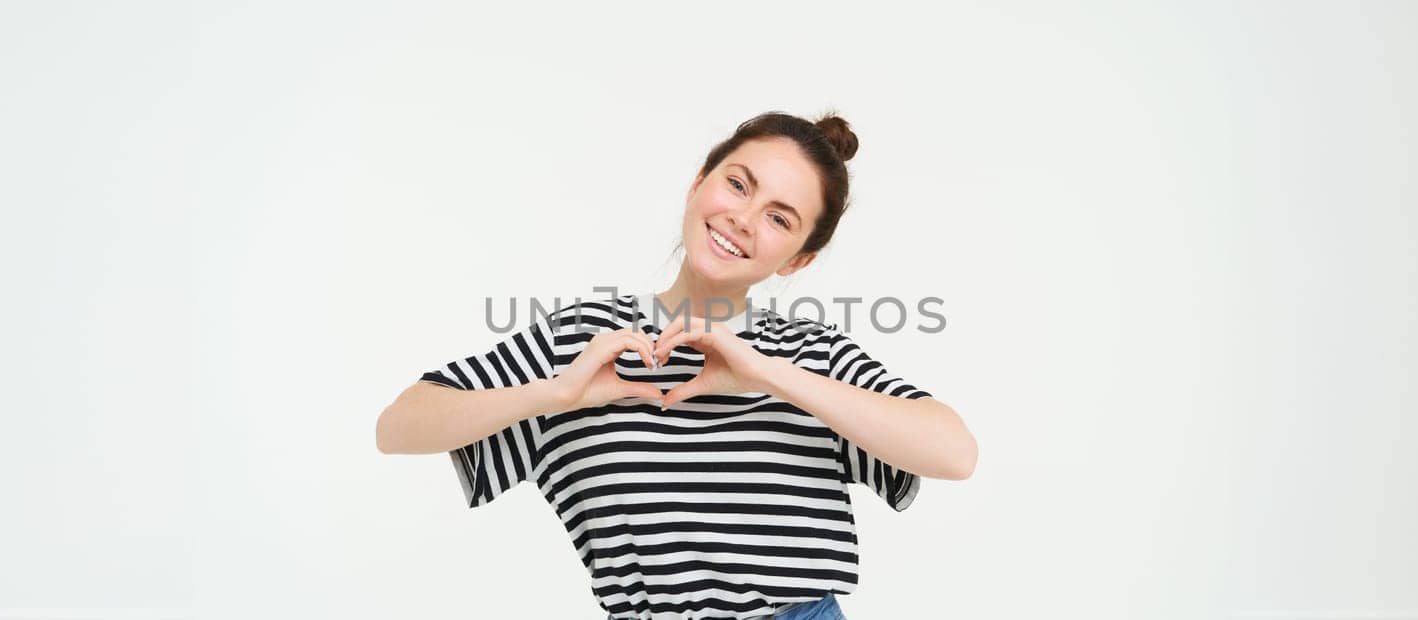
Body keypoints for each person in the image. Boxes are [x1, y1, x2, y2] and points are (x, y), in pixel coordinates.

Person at [375, 110, 977, 619]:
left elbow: (953, 452)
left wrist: (767, 374)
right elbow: (398, 427)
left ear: (796, 262)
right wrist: (558, 394)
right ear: (698, 185)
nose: (744, 218)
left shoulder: (810, 358)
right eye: (739, 185)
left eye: (779, 217)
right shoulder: (584, 343)